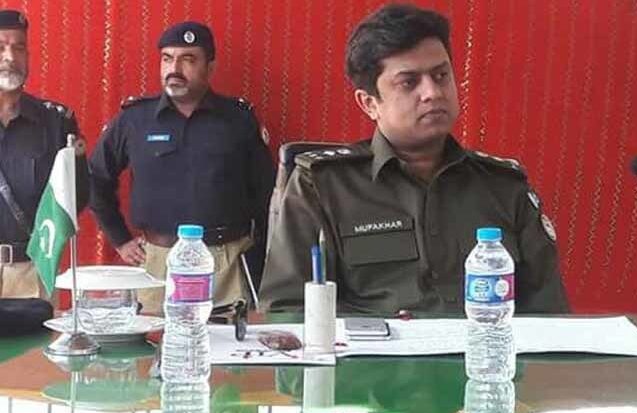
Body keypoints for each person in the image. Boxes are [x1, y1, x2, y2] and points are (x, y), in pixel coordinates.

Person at [260, 4, 569, 315]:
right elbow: (287, 310)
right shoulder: (324, 186)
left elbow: (550, 314)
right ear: (369, 103)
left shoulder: (504, 187)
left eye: (441, 75)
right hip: (367, 347)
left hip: (485, 345)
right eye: (409, 82)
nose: (432, 92)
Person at [90, 21, 273, 314]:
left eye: (188, 59)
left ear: (210, 68)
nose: (174, 68)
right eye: (167, 58)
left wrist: (260, 257)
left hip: (225, 263)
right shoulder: (135, 120)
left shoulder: (238, 120)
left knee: (229, 341)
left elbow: (267, 195)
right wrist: (120, 239)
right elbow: (95, 179)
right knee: (154, 341)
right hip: (157, 263)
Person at [0, 9, 88, 298]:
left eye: (18, 48)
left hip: (31, 270)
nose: (10, 57)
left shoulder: (56, 122)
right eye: (1, 47)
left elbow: (77, 197)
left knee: (34, 331)